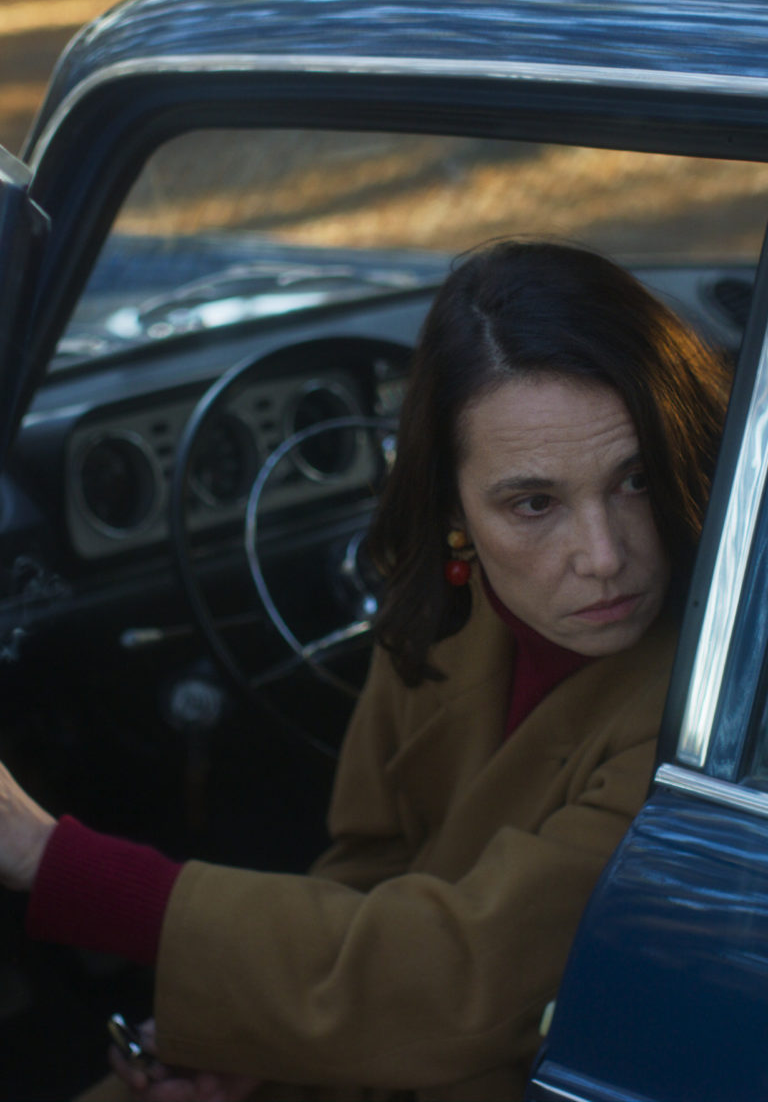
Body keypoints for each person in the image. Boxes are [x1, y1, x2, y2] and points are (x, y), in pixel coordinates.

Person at [0, 240, 730, 1102]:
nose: (603, 557)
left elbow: (467, 978)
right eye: (534, 503)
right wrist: (269, 1040)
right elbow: (369, 865)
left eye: (634, 479)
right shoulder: (448, 616)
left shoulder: (712, 706)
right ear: (452, 506)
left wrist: (52, 859)